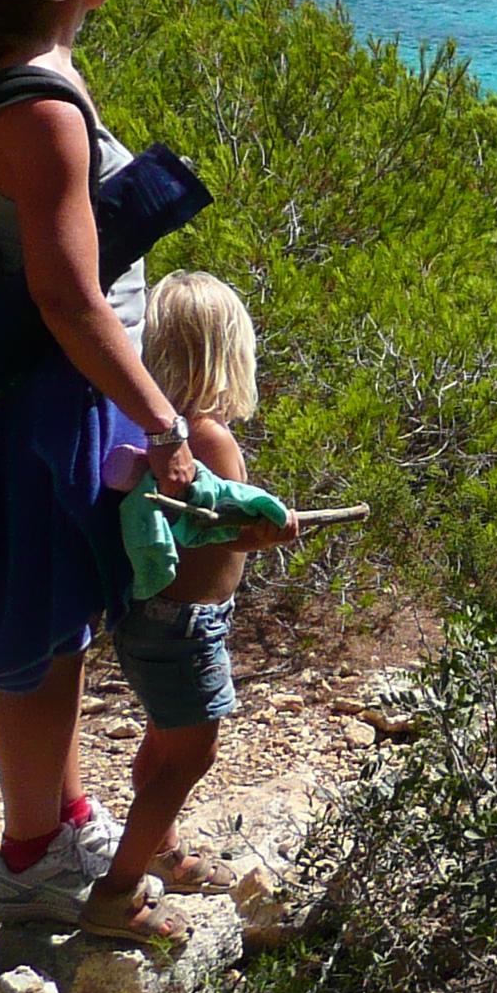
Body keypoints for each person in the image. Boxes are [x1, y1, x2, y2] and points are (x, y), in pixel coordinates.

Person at [0, 0, 204, 929]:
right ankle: (29, 856)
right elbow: (67, 297)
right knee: (43, 649)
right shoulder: (42, 105)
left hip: (50, 402)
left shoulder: (24, 71)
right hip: (46, 409)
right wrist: (162, 417)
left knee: (59, 640)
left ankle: (63, 818)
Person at [81, 273, 299, 944]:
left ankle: (164, 855)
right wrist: (269, 530)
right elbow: (216, 526)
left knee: (163, 739)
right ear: (225, 354)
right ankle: (117, 893)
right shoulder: (208, 441)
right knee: (190, 753)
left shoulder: (155, 432)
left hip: (154, 619)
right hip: (187, 625)